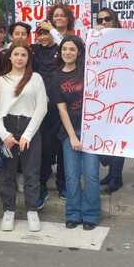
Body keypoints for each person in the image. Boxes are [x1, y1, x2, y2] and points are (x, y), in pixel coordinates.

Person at [0, 41, 48, 232]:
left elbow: (42, 108)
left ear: (28, 58)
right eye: (16, 54)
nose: (19, 58)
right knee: (7, 172)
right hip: (7, 128)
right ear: (10, 56)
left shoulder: (36, 78)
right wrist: (4, 134)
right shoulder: (1, 81)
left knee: (31, 172)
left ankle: (32, 210)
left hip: (29, 127)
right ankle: (9, 210)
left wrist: (28, 135)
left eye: (23, 55)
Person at [53, 36, 100, 230]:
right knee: (72, 176)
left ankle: (91, 214)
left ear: (79, 52)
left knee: (90, 175)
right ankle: (73, 213)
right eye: (64, 49)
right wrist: (72, 136)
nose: (68, 53)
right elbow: (62, 109)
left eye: (72, 49)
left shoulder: (88, 72)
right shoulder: (56, 77)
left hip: (92, 130)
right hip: (69, 132)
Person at [96, 8, 127, 193]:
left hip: (121, 96)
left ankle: (117, 176)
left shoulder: (125, 38)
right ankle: (111, 173)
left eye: (107, 19)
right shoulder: (95, 39)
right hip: (102, 96)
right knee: (105, 138)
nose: (104, 22)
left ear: (115, 20)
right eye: (100, 20)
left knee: (118, 137)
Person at [32, 28, 63, 207]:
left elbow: (76, 46)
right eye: (40, 34)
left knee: (62, 148)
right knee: (43, 149)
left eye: (47, 33)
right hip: (41, 107)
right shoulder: (34, 49)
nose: (43, 37)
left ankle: (62, 184)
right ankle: (41, 187)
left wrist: (53, 28)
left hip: (61, 104)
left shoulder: (61, 48)